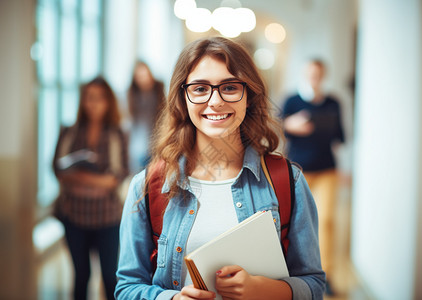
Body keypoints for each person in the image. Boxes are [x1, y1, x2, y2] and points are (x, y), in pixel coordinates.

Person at [115, 37, 325, 300]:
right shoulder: (148, 186)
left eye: (229, 87)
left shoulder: (288, 181)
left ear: (248, 95)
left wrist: (264, 290)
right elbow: (126, 287)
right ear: (183, 98)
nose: (215, 101)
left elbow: (314, 286)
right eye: (200, 89)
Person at [53, 76, 129, 300]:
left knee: (109, 275)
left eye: (99, 98)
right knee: (80, 275)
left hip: (107, 217)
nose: (93, 103)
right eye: (89, 97)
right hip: (74, 215)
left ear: (109, 102)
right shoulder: (69, 131)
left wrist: (79, 177)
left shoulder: (117, 134)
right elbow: (58, 169)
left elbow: (117, 176)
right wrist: (97, 180)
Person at [282, 59, 345, 295]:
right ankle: (294, 271)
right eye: (310, 74)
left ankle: (325, 273)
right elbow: (276, 128)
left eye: (318, 74)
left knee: (326, 221)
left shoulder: (333, 103)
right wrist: (289, 125)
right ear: (304, 74)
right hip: (298, 171)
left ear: (323, 75)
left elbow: (339, 136)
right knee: (296, 223)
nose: (314, 78)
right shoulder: (291, 100)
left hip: (327, 169)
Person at [127, 61, 166, 174]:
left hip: (156, 140)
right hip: (138, 143)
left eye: (144, 75)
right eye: (139, 76)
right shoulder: (132, 95)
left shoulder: (159, 92)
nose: (143, 79)